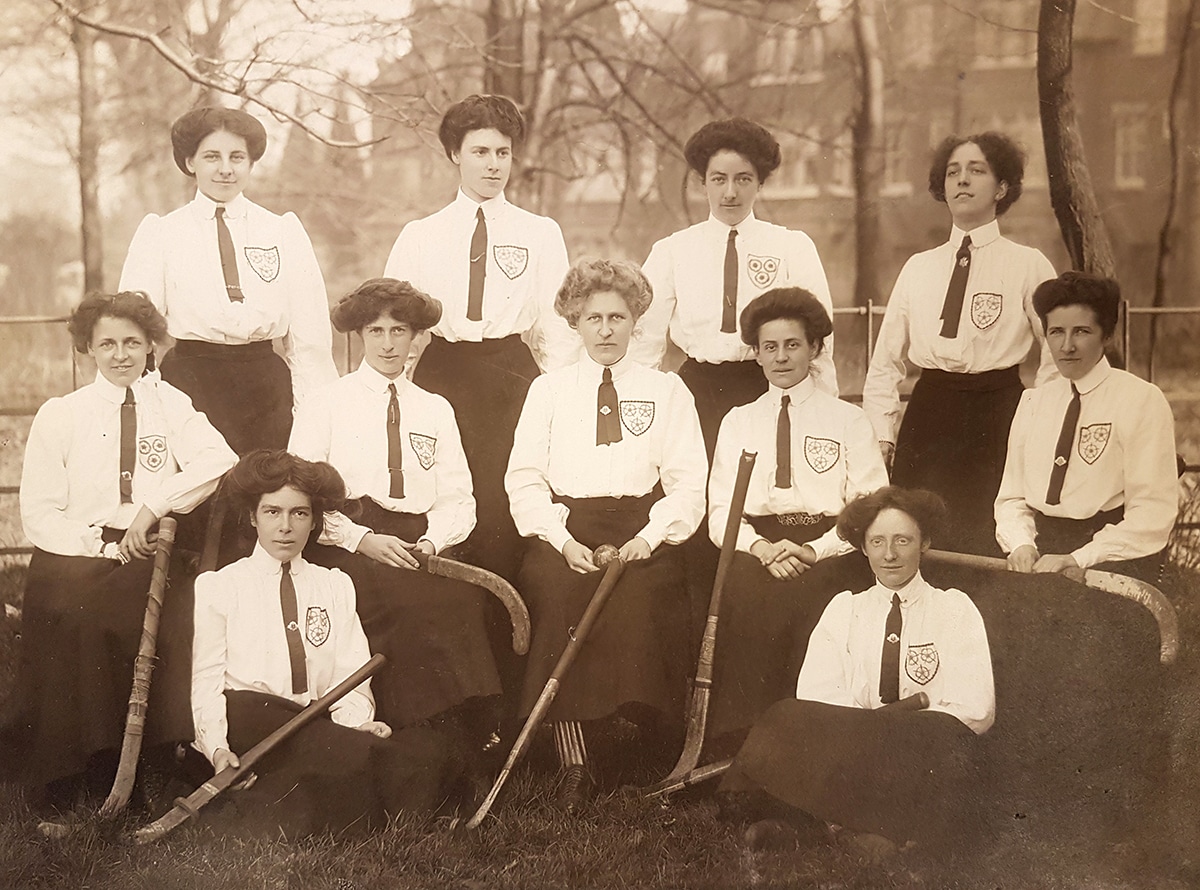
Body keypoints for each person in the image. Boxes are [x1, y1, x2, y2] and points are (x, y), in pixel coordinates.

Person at [13, 291, 236, 805]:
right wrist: (102, 547)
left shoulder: (169, 403)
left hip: (148, 545)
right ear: (86, 349)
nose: (120, 355)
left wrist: (153, 505)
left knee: (165, 613)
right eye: (107, 343)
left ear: (150, 346)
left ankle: (152, 758)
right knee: (80, 619)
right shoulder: (61, 414)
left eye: (132, 343)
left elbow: (218, 459)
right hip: (74, 553)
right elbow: (41, 514)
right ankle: (77, 766)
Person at [505, 259, 707, 810]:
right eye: (593, 317)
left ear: (636, 321)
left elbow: (689, 484)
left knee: (646, 596)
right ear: (574, 321)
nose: (606, 329)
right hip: (568, 529)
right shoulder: (548, 391)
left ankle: (640, 743)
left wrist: (653, 535)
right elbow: (524, 479)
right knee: (556, 592)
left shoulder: (667, 391)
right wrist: (560, 539)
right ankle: (575, 762)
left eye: (617, 316)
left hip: (643, 528)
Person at [191, 450, 460, 837]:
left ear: (314, 519)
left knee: (405, 750)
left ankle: (305, 798)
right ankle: (394, 806)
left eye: (299, 513)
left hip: (313, 722)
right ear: (253, 517)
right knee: (351, 761)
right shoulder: (220, 587)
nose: (285, 526)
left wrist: (357, 724)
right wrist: (216, 750)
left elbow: (349, 673)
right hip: (254, 718)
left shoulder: (333, 584)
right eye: (272, 512)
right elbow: (206, 680)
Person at [288, 277, 503, 756]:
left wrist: (431, 541)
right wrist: (362, 539)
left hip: (420, 543)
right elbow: (301, 496)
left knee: (462, 602)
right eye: (377, 331)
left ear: (418, 337)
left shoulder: (435, 408)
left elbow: (458, 497)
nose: (389, 344)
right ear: (360, 336)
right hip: (346, 541)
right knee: (406, 606)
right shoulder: (327, 403)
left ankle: (462, 739)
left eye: (400, 331)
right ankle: (409, 742)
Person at [721, 486, 995, 854]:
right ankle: (852, 831)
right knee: (785, 714)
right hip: (856, 739)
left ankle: (832, 828)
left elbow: (976, 709)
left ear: (924, 543)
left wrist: (893, 730)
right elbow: (817, 695)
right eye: (878, 542)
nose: (890, 554)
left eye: (903, 540)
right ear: (863, 547)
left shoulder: (954, 609)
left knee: (947, 744)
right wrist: (869, 727)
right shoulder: (845, 609)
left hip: (921, 745)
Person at [383, 94, 573, 579]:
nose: (493, 166)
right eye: (480, 152)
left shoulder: (540, 233)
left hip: (512, 377)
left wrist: (558, 398)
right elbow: (395, 325)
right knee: (444, 495)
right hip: (442, 375)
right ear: (455, 155)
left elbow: (556, 328)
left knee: (504, 501)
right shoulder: (420, 235)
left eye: (502, 153)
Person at [706, 289, 888, 744]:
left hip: (831, 548)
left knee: (821, 612)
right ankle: (750, 750)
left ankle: (818, 745)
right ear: (756, 354)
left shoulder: (848, 420)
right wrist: (763, 549)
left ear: (815, 349)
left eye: (793, 345)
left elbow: (869, 509)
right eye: (770, 347)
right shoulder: (737, 421)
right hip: (760, 549)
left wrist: (812, 549)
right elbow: (720, 513)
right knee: (748, 603)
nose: (781, 357)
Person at [862, 131, 1057, 555]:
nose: (962, 181)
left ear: (1002, 187)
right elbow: (885, 362)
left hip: (998, 413)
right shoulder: (919, 268)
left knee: (988, 537)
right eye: (953, 172)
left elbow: (1056, 355)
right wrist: (883, 433)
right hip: (930, 414)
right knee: (921, 538)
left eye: (976, 170)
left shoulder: (1027, 264)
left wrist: (1038, 419)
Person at [119, 106, 338, 455]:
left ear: (251, 162)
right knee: (201, 497)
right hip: (190, 385)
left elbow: (309, 339)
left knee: (266, 494)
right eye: (211, 156)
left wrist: (316, 419)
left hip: (265, 389)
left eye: (237, 156)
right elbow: (135, 327)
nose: (225, 169)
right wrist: (148, 404)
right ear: (190, 162)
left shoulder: (281, 231)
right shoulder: (162, 233)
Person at [636, 117, 838, 457]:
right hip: (696, 393)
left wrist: (823, 410)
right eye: (719, 179)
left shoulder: (791, 247)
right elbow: (644, 343)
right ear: (703, 183)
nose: (730, 192)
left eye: (743, 179)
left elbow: (821, 344)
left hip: (767, 387)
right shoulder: (672, 250)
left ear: (760, 183)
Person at [995, 272, 1178, 582]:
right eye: (1056, 332)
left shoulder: (1140, 399)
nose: (1067, 346)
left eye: (1081, 331)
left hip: (1110, 556)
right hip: (1040, 553)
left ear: (1106, 336)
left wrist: (1080, 558)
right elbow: (1012, 497)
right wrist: (1021, 543)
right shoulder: (1034, 402)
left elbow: (1152, 513)